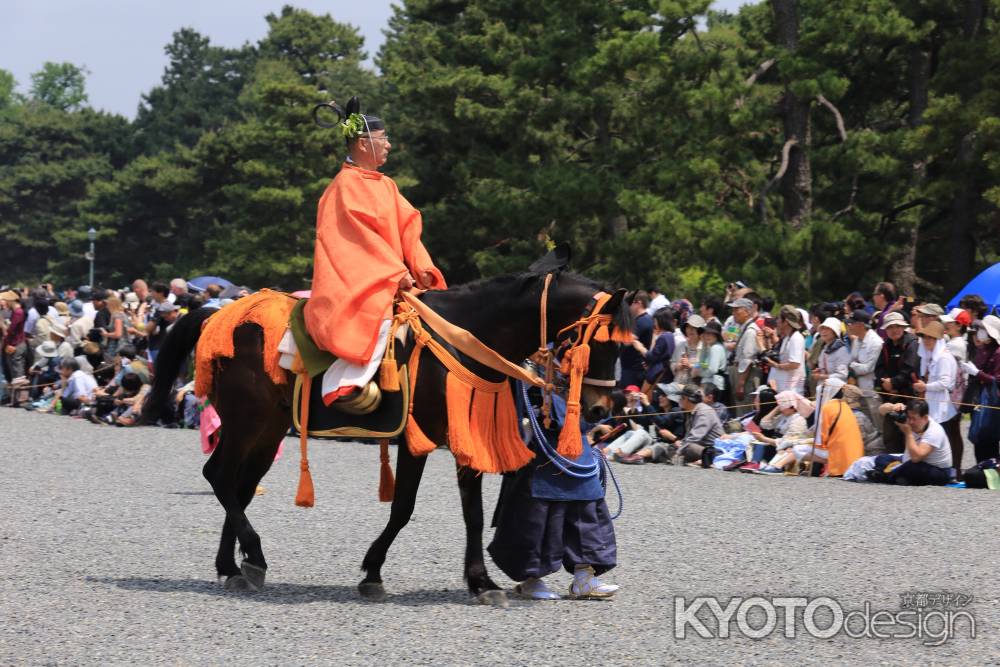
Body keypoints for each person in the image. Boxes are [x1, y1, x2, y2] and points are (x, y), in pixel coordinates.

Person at [303, 97, 446, 404]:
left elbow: (410, 228)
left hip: (389, 279)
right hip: (357, 283)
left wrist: (422, 269)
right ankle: (341, 388)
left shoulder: (387, 185)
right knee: (378, 321)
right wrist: (396, 273)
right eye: (384, 139)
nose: (389, 146)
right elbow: (358, 240)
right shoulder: (344, 185)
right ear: (364, 144)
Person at [488, 388, 618, 601]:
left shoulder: (580, 371)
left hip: (577, 448)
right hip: (540, 448)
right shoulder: (531, 367)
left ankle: (584, 578)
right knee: (538, 517)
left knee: (586, 512)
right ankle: (532, 580)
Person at [630, 385, 724, 465]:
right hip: (698, 446)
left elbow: (694, 438)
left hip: (713, 450)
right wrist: (679, 443)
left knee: (686, 447)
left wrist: (678, 450)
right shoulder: (689, 412)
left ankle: (650, 457)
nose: (679, 400)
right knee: (671, 446)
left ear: (687, 399)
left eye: (681, 397)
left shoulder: (703, 412)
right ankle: (638, 456)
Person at [914, 321, 960, 478]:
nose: (926, 340)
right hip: (932, 403)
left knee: (943, 439)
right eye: (925, 337)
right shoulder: (930, 357)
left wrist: (925, 387)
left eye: (931, 337)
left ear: (938, 340)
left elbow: (945, 383)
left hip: (942, 406)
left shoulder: (944, 358)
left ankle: (949, 471)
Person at [873, 311, 919, 453]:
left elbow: (910, 368)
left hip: (908, 396)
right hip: (890, 395)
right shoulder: (886, 345)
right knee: (890, 434)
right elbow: (879, 368)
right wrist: (885, 383)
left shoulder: (912, 343)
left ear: (903, 327)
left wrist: (893, 383)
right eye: (890, 327)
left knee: (908, 432)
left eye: (897, 326)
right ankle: (891, 465)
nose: (894, 330)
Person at [879, 399, 953, 485]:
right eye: (909, 418)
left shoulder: (934, 431)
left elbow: (916, 458)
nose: (910, 422)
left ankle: (886, 476)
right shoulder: (910, 414)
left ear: (925, 418)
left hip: (938, 471)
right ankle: (898, 475)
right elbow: (881, 410)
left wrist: (908, 433)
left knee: (911, 467)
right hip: (910, 461)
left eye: (914, 419)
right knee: (882, 459)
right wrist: (893, 407)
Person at [961, 315, 1000, 462]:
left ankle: (991, 475)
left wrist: (977, 373)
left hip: (991, 402)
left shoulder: (998, 352)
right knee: (978, 437)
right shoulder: (981, 349)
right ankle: (981, 472)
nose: (979, 332)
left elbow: (997, 380)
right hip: (978, 400)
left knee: (989, 438)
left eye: (983, 329)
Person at [628, 309, 675, 397]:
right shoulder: (670, 335)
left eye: (655, 321)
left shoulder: (664, 337)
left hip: (655, 374)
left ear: (661, 321)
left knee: (643, 398)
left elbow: (652, 357)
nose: (654, 323)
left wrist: (641, 348)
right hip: (662, 372)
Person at [727, 297, 762, 414]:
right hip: (741, 374)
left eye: (737, 310)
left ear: (747, 311)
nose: (734, 313)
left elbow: (748, 359)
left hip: (746, 377)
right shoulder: (744, 328)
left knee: (745, 412)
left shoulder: (751, 331)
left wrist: (741, 384)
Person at [766, 305, 806, 394]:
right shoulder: (787, 338)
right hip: (784, 388)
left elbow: (794, 364)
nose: (777, 321)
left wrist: (776, 365)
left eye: (779, 319)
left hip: (792, 391)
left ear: (786, 322)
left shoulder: (796, 338)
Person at [618, 291, 653, 389]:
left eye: (630, 303)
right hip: (629, 369)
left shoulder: (643, 321)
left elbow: (626, 341)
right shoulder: (639, 320)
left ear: (639, 303)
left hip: (634, 371)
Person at [813, 317, 850, 385]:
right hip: (823, 389)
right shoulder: (824, 349)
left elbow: (842, 375)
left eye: (828, 329)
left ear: (835, 332)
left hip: (836, 390)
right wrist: (820, 371)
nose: (824, 331)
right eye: (822, 328)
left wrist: (822, 376)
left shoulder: (841, 350)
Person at [694, 320, 727, 395]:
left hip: (714, 386)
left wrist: (701, 373)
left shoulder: (715, 348)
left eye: (710, 334)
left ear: (716, 335)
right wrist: (704, 345)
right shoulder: (711, 347)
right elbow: (702, 363)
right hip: (710, 384)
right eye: (705, 333)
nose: (706, 336)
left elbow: (712, 369)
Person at [1, 290, 27, 382]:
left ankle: (20, 396)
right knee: (16, 374)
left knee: (18, 377)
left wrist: (2, 324)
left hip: (16, 344)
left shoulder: (18, 312)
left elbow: (11, 330)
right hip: (16, 343)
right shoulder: (17, 311)